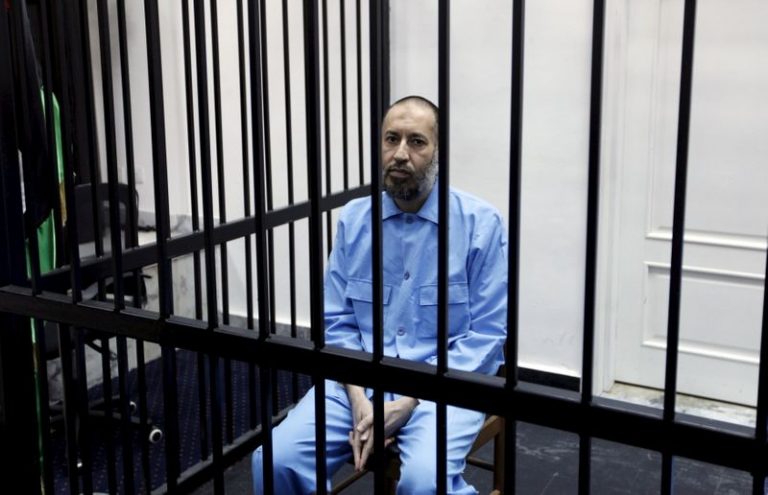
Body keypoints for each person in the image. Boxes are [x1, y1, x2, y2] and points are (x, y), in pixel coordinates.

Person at [252, 96, 507, 494]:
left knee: (423, 482)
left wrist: (410, 400)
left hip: (443, 389)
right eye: (392, 139)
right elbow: (336, 322)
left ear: (439, 152)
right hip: (355, 382)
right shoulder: (355, 220)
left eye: (416, 141)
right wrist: (358, 397)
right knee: (273, 461)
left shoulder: (480, 225)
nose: (400, 153)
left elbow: (486, 338)